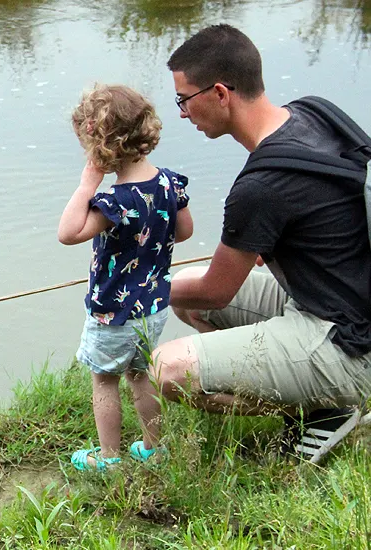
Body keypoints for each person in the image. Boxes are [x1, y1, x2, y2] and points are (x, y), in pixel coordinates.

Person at [154, 24, 371, 447]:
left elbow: (216, 291)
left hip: (347, 342)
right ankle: (307, 387)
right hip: (341, 302)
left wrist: (137, 289)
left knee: (167, 368)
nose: (181, 112)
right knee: (190, 301)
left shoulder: (260, 187)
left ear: (220, 93)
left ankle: (326, 408)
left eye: (184, 99)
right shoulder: (313, 112)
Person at [58, 84, 193, 471]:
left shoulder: (113, 202)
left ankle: (108, 458)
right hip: (152, 307)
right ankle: (153, 448)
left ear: (100, 147)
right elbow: (183, 231)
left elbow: (68, 233)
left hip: (112, 313)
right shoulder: (169, 184)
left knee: (104, 381)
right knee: (141, 375)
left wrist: (88, 184)